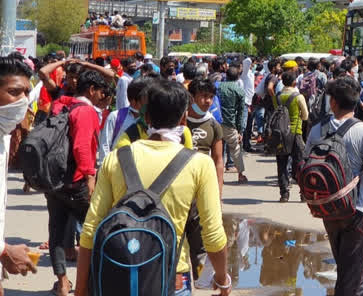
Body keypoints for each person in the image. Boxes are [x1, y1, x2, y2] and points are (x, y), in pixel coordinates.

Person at [75, 80, 231, 296]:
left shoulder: (116, 159)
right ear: (184, 119)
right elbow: (213, 234)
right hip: (173, 278)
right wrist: (223, 280)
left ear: (146, 117)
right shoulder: (199, 164)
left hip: (118, 274)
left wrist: (80, 290)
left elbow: (90, 230)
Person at [304, 76, 363, 295]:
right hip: (358, 209)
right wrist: (358, 179)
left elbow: (306, 162)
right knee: (350, 277)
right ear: (357, 101)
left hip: (328, 207)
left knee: (351, 272)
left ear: (333, 102)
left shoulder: (317, 130)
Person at [47, 70, 110, 296]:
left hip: (54, 180)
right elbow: (82, 147)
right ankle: (92, 282)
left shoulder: (61, 105)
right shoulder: (85, 112)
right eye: (101, 93)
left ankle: (63, 283)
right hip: (77, 182)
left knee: (56, 231)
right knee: (97, 229)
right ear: (91, 90)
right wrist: (90, 178)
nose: (102, 98)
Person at [0, 57, 39, 294]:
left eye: (26, 92)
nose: (23, 101)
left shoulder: (4, 135)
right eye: (14, 92)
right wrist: (3, 251)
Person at [186, 77, 225, 195]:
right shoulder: (179, 121)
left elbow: (218, 160)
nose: (208, 101)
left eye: (211, 97)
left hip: (203, 183)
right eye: (204, 96)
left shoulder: (214, 125)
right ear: (191, 97)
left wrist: (218, 191)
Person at [275, 70, 308, 203]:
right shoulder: (298, 97)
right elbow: (305, 116)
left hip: (281, 133)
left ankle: (284, 194)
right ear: (295, 82)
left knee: (281, 164)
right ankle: (303, 193)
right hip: (296, 132)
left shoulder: (277, 96)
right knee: (299, 163)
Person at [218, 66, 247, 184]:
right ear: (237, 77)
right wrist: (240, 130)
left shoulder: (218, 87)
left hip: (217, 121)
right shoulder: (239, 90)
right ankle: (240, 174)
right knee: (235, 149)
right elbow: (240, 112)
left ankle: (219, 176)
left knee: (218, 151)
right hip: (231, 123)